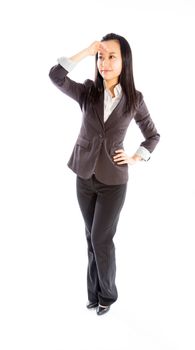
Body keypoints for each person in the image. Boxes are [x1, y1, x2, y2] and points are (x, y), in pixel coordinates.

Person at [49, 33, 160, 316]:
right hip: (84, 176)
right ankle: (93, 294)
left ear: (125, 61)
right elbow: (56, 76)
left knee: (101, 238)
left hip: (114, 182)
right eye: (101, 56)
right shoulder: (88, 91)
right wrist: (85, 52)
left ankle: (108, 295)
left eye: (112, 56)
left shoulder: (135, 99)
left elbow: (152, 135)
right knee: (91, 237)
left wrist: (137, 156)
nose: (105, 62)